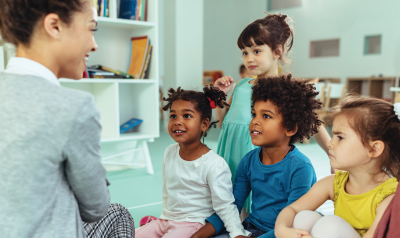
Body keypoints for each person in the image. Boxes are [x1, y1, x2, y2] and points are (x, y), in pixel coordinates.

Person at [0, 0, 133, 237]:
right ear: (55, 26)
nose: (94, 45)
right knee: (118, 212)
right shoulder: (73, 107)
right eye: (91, 29)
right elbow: (95, 208)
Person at [214, 14, 332, 214]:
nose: (249, 58)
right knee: (231, 198)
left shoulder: (285, 89)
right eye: (245, 52)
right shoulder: (241, 85)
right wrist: (219, 98)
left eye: (257, 51)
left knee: (251, 203)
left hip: (256, 154)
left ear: (277, 52)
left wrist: (331, 153)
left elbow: (313, 124)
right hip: (230, 152)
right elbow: (222, 124)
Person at [192, 74, 322, 238]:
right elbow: (233, 205)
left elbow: (293, 223)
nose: (254, 121)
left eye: (266, 116)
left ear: (290, 128)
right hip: (252, 228)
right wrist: (197, 236)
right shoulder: (248, 160)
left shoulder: (301, 168)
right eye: (254, 114)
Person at [275, 96, 400, 238]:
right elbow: (291, 209)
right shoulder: (335, 183)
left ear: (374, 149)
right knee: (303, 217)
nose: (330, 143)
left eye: (340, 137)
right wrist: (282, 230)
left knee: (329, 225)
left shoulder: (390, 196)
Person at [135, 85, 250, 238]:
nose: (177, 121)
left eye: (187, 116)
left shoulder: (214, 164)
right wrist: (162, 220)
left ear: (204, 124)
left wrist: (237, 233)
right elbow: (167, 193)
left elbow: (225, 206)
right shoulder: (169, 152)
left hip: (193, 223)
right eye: (173, 116)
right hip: (166, 219)